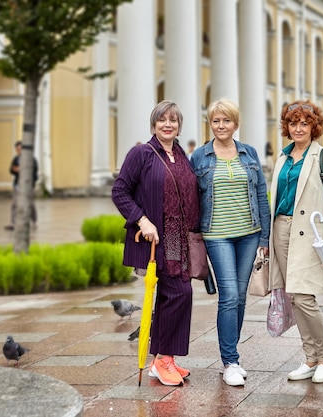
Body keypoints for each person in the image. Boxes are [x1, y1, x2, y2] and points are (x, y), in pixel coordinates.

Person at [112, 100, 199, 387]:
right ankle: (162, 359)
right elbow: (120, 191)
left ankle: (165, 360)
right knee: (179, 293)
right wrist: (142, 220)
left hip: (180, 239)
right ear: (154, 124)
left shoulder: (180, 154)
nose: (168, 124)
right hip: (157, 239)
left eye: (173, 120)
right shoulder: (141, 154)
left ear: (179, 126)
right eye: (162, 120)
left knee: (171, 296)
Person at [190, 98, 270, 387]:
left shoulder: (249, 154)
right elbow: (190, 198)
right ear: (210, 124)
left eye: (226, 120)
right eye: (216, 121)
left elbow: (261, 194)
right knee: (229, 296)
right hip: (217, 234)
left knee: (240, 294)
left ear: (236, 124)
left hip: (249, 233)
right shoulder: (200, 157)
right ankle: (231, 361)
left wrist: (265, 236)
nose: (221, 125)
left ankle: (231, 355)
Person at [268, 100, 323, 384]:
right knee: (294, 297)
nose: (298, 128)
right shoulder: (283, 159)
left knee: (305, 296)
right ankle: (311, 358)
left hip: (308, 233)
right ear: (286, 127)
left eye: (304, 123)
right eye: (293, 123)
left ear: (314, 127)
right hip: (281, 231)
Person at [5, 141, 38, 231]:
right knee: (14, 204)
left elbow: (33, 170)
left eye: (20, 148)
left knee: (31, 204)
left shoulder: (31, 159)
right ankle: (13, 223)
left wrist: (21, 169)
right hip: (17, 184)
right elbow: (11, 169)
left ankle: (34, 221)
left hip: (28, 185)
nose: (19, 150)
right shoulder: (16, 159)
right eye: (17, 149)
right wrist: (17, 169)